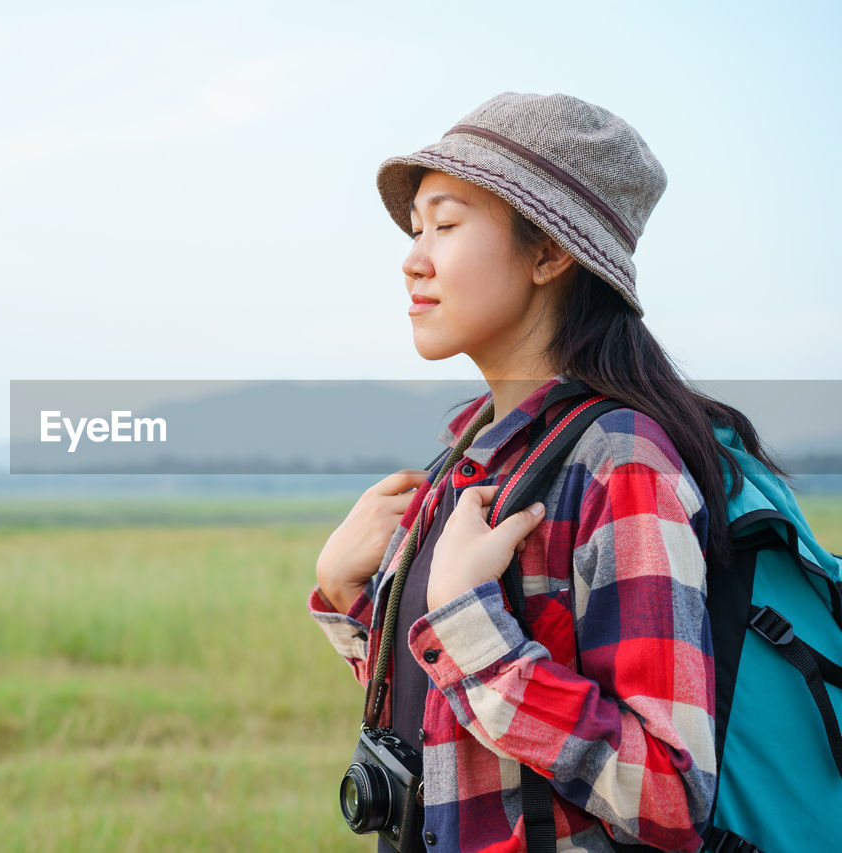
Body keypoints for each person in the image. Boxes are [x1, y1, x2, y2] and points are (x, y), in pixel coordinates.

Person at [308, 92, 784, 852]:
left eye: (448, 223)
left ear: (548, 254)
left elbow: (667, 791)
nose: (412, 256)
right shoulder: (469, 451)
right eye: (416, 226)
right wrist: (348, 598)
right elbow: (453, 724)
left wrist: (469, 623)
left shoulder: (621, 463)